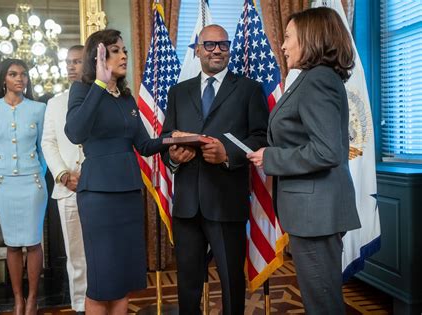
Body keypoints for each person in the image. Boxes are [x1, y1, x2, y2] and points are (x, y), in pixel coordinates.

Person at [246, 7, 361, 314]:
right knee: (319, 300)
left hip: (317, 214)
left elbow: (326, 151)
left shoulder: (318, 80)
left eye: (287, 38)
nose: (282, 46)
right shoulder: (313, 78)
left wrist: (272, 157)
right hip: (312, 212)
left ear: (311, 38)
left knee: (322, 303)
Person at [161, 24, 269, 315]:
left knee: (232, 281)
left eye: (223, 44)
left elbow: (261, 138)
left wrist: (227, 154)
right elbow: (166, 138)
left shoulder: (249, 89)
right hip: (187, 206)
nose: (217, 49)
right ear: (197, 50)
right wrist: (173, 156)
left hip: (227, 202)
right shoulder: (178, 92)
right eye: (209, 45)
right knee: (188, 284)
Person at [64, 29, 165, 315]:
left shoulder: (126, 98)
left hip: (129, 195)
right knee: (102, 281)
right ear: (98, 56)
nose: (124, 56)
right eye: (116, 50)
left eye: (125, 51)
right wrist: (99, 83)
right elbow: (75, 131)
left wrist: (172, 140)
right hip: (98, 198)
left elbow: (144, 145)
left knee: (122, 280)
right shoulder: (83, 90)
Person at [0, 59, 47, 315]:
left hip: (32, 184)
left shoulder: (39, 109)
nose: (20, 79)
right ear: (3, 79)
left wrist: (36, 175)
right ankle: (18, 299)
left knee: (32, 242)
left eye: (24, 74)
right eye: (13, 74)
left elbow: (43, 150)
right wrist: (6, 171)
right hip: (4, 185)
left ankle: (32, 298)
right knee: (12, 244)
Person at [42, 45, 87, 315]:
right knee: (76, 254)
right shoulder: (55, 103)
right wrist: (63, 174)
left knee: (102, 250)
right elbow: (48, 143)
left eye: (78, 61)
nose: (71, 67)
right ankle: (81, 306)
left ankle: (104, 302)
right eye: (68, 62)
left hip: (98, 186)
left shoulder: (102, 98)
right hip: (67, 188)